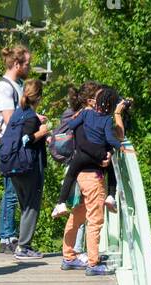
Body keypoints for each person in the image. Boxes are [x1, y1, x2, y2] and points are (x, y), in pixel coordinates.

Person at [60, 86, 127, 276]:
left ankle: (69, 256)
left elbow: (111, 138)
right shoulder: (94, 117)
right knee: (95, 220)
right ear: (90, 101)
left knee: (79, 214)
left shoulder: (85, 117)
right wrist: (103, 156)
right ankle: (93, 262)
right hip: (93, 175)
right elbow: (108, 140)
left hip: (81, 174)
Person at [52, 85, 125, 220]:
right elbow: (111, 138)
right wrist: (117, 149)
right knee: (112, 171)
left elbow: (72, 126)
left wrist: (77, 119)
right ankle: (111, 196)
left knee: (70, 176)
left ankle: (61, 203)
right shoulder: (106, 119)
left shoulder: (85, 114)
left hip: (82, 159)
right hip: (95, 162)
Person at [6, 78, 50, 261]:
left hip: (14, 166)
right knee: (32, 206)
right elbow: (25, 139)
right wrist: (42, 132)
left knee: (25, 206)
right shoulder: (30, 117)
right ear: (38, 97)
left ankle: (25, 245)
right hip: (29, 166)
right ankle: (23, 247)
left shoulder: (18, 113)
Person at [0, 44, 31, 253]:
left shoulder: (20, 84)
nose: (29, 67)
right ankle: (6, 238)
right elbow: (10, 119)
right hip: (9, 146)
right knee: (10, 192)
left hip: (19, 144)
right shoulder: (4, 87)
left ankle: (11, 235)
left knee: (17, 192)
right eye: (27, 63)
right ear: (16, 64)